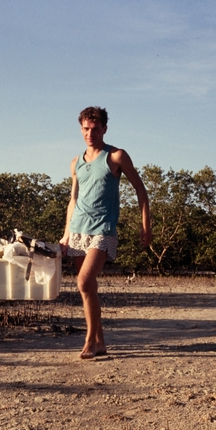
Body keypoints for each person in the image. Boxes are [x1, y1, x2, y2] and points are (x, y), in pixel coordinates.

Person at [59, 107, 152, 359]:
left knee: (84, 282)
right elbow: (73, 199)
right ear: (81, 129)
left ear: (104, 129)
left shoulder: (116, 156)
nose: (91, 133)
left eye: (96, 129)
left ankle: (90, 340)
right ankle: (99, 341)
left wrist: (146, 225)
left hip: (103, 229)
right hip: (78, 228)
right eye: (86, 129)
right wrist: (66, 235)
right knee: (88, 288)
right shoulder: (75, 162)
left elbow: (141, 191)